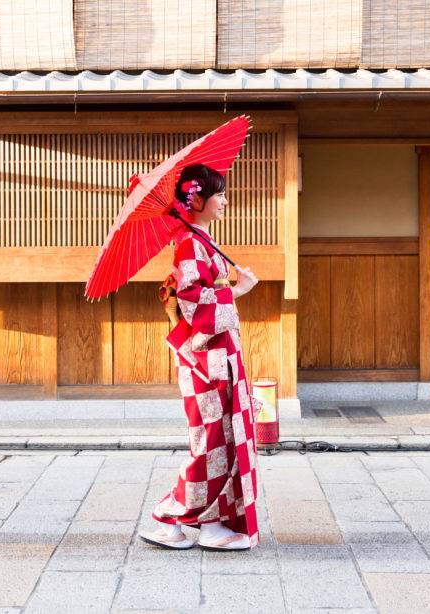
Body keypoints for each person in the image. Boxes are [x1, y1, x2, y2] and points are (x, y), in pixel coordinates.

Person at [138, 163, 262, 551]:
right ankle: (166, 517)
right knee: (208, 443)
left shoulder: (200, 240)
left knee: (223, 441)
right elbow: (192, 303)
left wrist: (231, 286)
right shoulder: (189, 244)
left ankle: (212, 524)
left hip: (218, 355)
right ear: (197, 199)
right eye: (219, 194)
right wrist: (237, 291)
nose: (224, 200)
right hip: (203, 360)